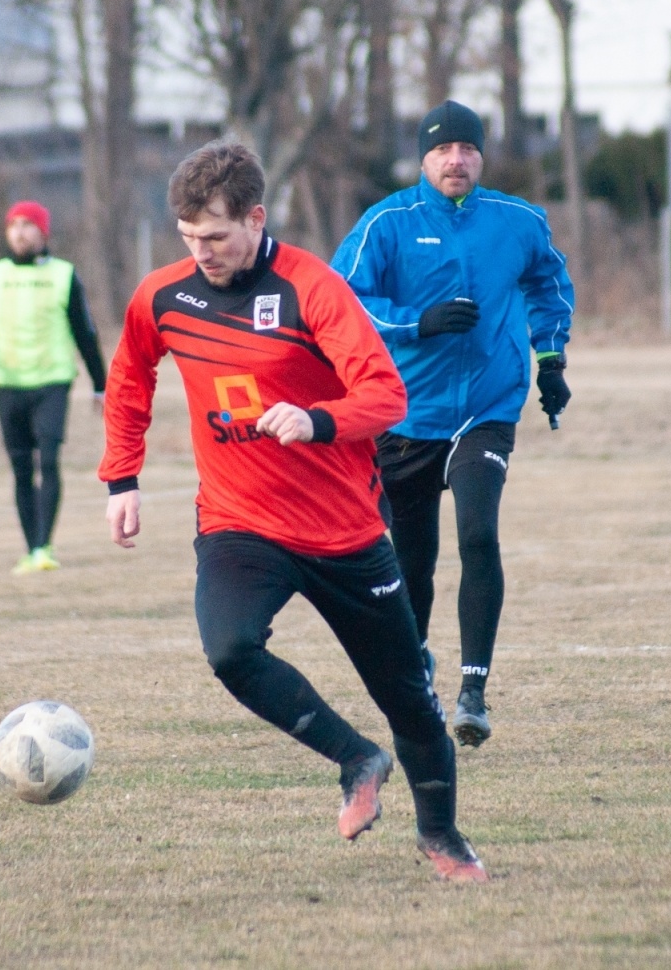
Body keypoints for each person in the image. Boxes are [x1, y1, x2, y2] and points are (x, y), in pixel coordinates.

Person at [99, 141, 486, 882]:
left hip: (343, 531)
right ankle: (355, 760)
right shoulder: (163, 296)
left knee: (411, 701)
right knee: (229, 648)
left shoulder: (313, 288)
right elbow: (129, 378)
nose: (200, 252)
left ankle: (441, 837)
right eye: (187, 237)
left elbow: (386, 395)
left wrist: (316, 419)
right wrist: (122, 478)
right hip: (239, 521)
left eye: (215, 236)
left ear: (256, 217)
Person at [332, 99, 576, 749]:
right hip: (406, 414)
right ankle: (418, 672)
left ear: (481, 156)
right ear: (424, 158)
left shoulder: (517, 220)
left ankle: (473, 690)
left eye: (467, 148)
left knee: (477, 533)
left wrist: (550, 359)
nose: (456, 159)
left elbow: (551, 285)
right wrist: (418, 322)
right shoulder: (386, 223)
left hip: (487, 408)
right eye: (442, 149)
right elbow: (342, 301)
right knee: (411, 561)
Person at [0, 200, 107, 574]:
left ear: (43, 232)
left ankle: (44, 545)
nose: (20, 232)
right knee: (21, 467)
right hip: (9, 382)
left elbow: (85, 332)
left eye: (28, 225)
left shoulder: (64, 274)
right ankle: (31, 549)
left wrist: (100, 384)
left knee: (49, 457)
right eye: (14, 225)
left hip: (52, 381)